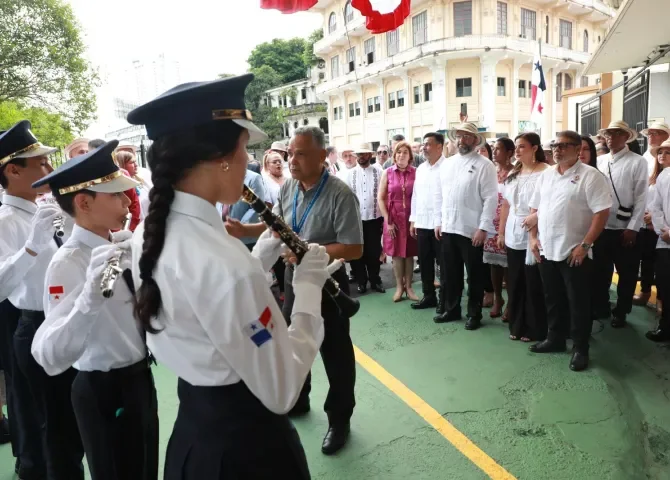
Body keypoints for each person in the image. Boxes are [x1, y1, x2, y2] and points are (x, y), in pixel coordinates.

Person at [125, 74, 338, 478]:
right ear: (221, 158)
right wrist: (308, 291)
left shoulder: (146, 236)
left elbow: (202, 309)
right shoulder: (225, 264)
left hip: (195, 437)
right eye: (245, 149)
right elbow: (282, 389)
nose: (248, 161)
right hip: (248, 450)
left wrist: (257, 259)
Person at [30, 140, 159, 480]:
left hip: (139, 378)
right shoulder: (68, 263)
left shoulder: (117, 244)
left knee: (145, 469)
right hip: (104, 388)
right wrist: (89, 298)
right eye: (115, 195)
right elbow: (53, 355)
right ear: (84, 203)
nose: (125, 200)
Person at [0, 120, 85, 479]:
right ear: (13, 170)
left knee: (66, 425)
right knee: (49, 428)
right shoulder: (6, 219)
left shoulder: (40, 209)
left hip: (61, 321)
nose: (49, 168)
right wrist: (32, 246)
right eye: (39, 163)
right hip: (34, 324)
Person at [528, 130, 612, 371]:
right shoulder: (546, 175)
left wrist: (585, 245)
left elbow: (601, 212)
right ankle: (555, 339)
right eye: (555, 145)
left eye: (564, 145)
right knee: (552, 299)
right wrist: (534, 238)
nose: (557, 149)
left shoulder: (590, 176)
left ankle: (580, 349)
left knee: (578, 303)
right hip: (547, 249)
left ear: (578, 149)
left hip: (575, 253)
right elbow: (536, 208)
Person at [433, 122, 498, 329]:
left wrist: (483, 227)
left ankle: (474, 314)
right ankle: (452, 310)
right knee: (450, 274)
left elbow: (491, 198)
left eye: (467, 136)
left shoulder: (485, 165)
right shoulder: (448, 164)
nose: (463, 140)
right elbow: (440, 196)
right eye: (460, 136)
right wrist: (439, 222)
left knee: (475, 275)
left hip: (472, 230)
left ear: (475, 140)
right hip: (449, 227)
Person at [593, 121, 648, 328]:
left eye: (616, 134)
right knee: (601, 271)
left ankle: (622, 311)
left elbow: (642, 196)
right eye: (608, 133)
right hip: (602, 227)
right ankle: (602, 306)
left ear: (626, 137)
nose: (611, 137)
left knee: (627, 273)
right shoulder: (600, 161)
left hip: (626, 228)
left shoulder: (637, 162)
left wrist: (633, 227)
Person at [498, 133, 549, 342]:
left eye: (522, 147)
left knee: (533, 283)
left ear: (535, 148)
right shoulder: (514, 173)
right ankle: (517, 324)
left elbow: (549, 204)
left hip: (536, 231)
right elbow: (506, 205)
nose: (517, 151)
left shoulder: (546, 172)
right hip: (513, 231)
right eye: (516, 147)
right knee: (515, 281)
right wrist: (501, 232)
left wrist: (535, 220)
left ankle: (534, 327)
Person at [410, 132, 446, 312]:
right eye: (423, 144)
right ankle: (429, 295)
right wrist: (413, 219)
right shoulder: (421, 169)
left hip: (441, 225)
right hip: (423, 223)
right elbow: (416, 196)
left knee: (444, 264)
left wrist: (441, 221)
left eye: (428, 144)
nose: (424, 147)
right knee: (424, 263)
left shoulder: (447, 167)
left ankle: (444, 300)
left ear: (440, 146)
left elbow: (448, 198)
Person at [379, 141, 418, 302]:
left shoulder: (416, 172)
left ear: (410, 156)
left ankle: (409, 287)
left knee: (409, 254)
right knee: (396, 254)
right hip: (393, 220)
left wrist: (415, 220)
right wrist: (388, 221)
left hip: (411, 219)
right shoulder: (387, 172)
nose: (401, 155)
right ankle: (399, 287)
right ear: (394, 156)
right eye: (398, 152)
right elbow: (381, 199)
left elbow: (420, 197)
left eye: (405, 152)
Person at [344, 143, 385, 294]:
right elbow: (346, 197)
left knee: (373, 252)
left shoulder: (379, 171)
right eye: (359, 154)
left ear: (370, 155)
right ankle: (361, 281)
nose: (361, 157)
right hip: (356, 220)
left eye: (364, 154)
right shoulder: (349, 174)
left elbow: (383, 193)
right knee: (357, 252)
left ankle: (375, 280)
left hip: (375, 218)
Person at [648, 139, 670, 342]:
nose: (663, 155)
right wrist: (664, 230)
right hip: (665, 241)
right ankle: (665, 327)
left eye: (668, 152)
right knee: (664, 285)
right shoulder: (663, 176)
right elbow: (657, 207)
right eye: (660, 152)